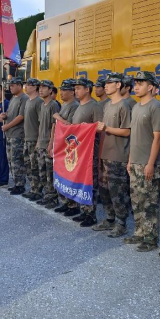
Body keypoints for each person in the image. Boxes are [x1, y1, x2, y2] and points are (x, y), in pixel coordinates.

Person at [123, 71, 160, 250]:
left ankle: (150, 238)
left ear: (151, 86)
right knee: (137, 200)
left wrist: (150, 163)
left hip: (149, 163)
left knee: (149, 202)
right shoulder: (137, 107)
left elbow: (158, 138)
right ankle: (139, 232)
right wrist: (130, 160)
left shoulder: (156, 107)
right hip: (136, 162)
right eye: (136, 83)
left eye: (141, 83)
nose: (136, 86)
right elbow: (134, 136)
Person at [94, 73, 131, 237]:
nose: (106, 86)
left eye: (110, 83)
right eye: (105, 83)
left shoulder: (124, 106)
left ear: (118, 85)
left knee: (117, 192)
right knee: (104, 190)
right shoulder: (107, 105)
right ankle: (110, 218)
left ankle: (121, 223)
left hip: (117, 156)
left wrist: (107, 129)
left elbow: (127, 131)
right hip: (104, 153)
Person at [70, 78, 103, 227]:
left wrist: (86, 127)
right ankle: (83, 210)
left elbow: (99, 128)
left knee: (90, 182)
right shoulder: (79, 106)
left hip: (90, 152)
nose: (75, 91)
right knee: (80, 181)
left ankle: (91, 214)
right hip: (79, 151)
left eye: (78, 88)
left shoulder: (94, 106)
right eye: (75, 88)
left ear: (87, 89)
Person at [52, 79, 80, 217]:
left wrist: (58, 117)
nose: (61, 93)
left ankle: (73, 205)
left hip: (69, 146)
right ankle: (66, 203)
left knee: (70, 175)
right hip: (61, 145)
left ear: (72, 92)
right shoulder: (64, 105)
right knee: (63, 175)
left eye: (64, 90)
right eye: (61, 90)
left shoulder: (74, 106)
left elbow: (70, 126)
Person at [1, 78, 29, 195]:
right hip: (9, 134)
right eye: (10, 86)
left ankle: (20, 184)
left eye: (12, 86)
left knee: (17, 160)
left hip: (18, 134)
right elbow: (10, 114)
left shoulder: (24, 98)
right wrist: (4, 115)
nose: (10, 88)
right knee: (11, 160)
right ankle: (16, 183)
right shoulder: (13, 98)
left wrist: (7, 126)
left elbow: (21, 116)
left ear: (19, 85)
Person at [36, 80, 60, 208]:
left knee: (50, 173)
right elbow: (41, 125)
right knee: (42, 172)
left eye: (44, 87)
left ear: (51, 90)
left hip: (48, 144)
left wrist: (51, 145)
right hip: (41, 143)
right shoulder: (42, 105)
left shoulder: (53, 105)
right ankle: (46, 195)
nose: (41, 89)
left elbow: (54, 126)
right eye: (40, 87)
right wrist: (38, 142)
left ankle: (52, 198)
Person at [22, 78, 44, 201]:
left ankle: (38, 190)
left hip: (35, 139)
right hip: (27, 138)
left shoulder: (38, 102)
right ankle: (33, 188)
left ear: (35, 87)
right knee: (28, 165)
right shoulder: (28, 101)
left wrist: (38, 141)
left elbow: (41, 123)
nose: (27, 87)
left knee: (35, 166)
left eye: (29, 85)